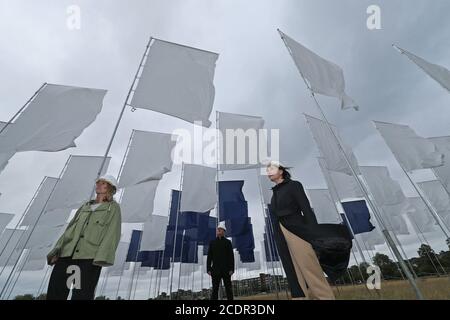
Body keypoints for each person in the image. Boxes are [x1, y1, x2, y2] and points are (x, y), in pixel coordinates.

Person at [265, 160, 352, 300]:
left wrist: (314, 233)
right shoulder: (274, 194)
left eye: (271, 169)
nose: (268, 172)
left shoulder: (294, 185)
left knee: (309, 266)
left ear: (281, 171)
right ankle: (300, 297)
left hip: (297, 230)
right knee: (293, 269)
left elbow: (306, 209)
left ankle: (325, 297)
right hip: (281, 233)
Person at [46, 175, 122, 300]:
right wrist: (57, 250)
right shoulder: (85, 206)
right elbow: (70, 229)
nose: (98, 185)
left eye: (103, 183)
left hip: (88, 259)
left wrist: (101, 258)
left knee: (81, 295)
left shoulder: (113, 208)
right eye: (98, 182)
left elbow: (112, 233)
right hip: (66, 255)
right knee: (56, 291)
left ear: (110, 188)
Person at [207, 222, 234, 300]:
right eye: (217, 229)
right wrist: (208, 269)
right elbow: (209, 257)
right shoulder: (212, 243)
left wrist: (232, 269)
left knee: (228, 289)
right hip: (215, 270)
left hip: (226, 270)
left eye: (220, 229)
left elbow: (231, 257)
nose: (218, 230)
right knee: (215, 290)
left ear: (224, 231)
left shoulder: (228, 242)